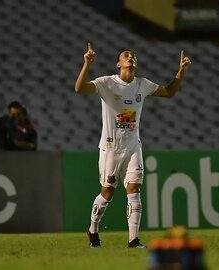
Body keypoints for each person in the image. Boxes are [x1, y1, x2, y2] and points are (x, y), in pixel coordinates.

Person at [75, 43, 191, 248]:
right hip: (110, 148)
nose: (131, 57)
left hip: (133, 147)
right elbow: (79, 88)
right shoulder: (106, 82)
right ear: (118, 63)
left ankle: (133, 239)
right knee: (107, 193)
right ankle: (92, 229)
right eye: (126, 55)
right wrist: (87, 64)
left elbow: (169, 92)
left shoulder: (142, 84)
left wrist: (181, 71)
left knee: (134, 190)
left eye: (133, 55)